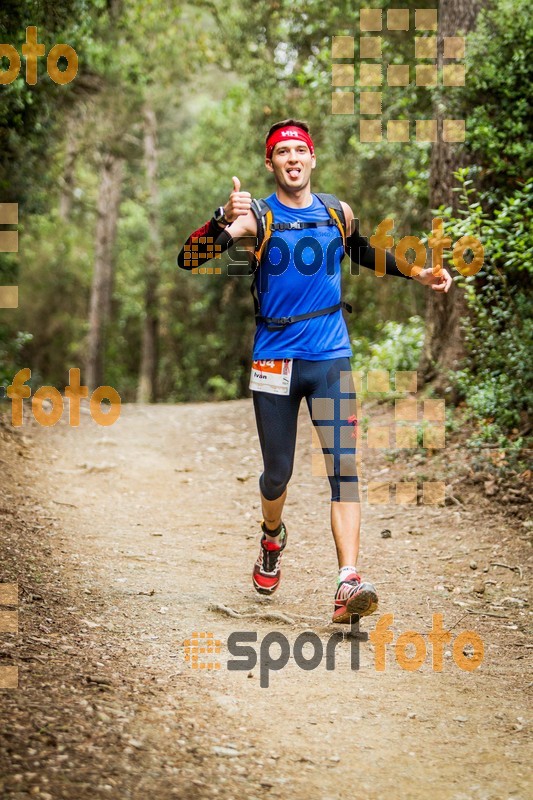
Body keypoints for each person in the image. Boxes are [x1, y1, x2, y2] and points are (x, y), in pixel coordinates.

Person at [178, 118, 452, 623]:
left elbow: (365, 251)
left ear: (313, 158)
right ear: (270, 163)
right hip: (274, 360)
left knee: (344, 469)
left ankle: (348, 581)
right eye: (282, 152)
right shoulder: (256, 217)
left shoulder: (336, 211)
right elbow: (189, 258)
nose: (292, 158)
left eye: (300, 150)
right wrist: (222, 217)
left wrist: (419, 271)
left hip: (330, 356)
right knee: (276, 474)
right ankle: (271, 537)